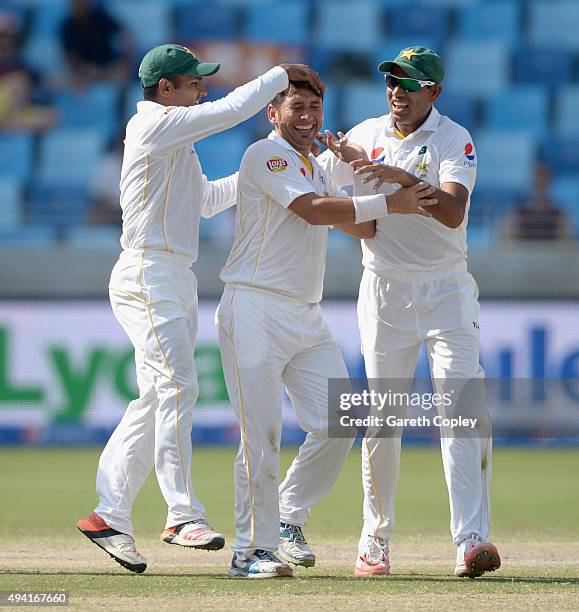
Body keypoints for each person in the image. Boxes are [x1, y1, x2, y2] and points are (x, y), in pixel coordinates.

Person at [76, 43, 326, 574]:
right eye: (194, 83)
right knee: (177, 385)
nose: (202, 88)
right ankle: (181, 513)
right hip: (148, 270)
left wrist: (276, 171)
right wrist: (279, 74)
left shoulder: (174, 142)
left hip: (173, 274)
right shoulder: (153, 125)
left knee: (160, 392)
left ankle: (110, 513)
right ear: (166, 90)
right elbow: (231, 110)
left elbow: (207, 202)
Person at [216, 78, 437, 578]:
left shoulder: (315, 165)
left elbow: (362, 228)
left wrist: (362, 173)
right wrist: (389, 202)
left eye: (316, 107)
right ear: (273, 113)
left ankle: (288, 518)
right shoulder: (263, 156)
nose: (308, 117)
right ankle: (250, 550)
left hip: (304, 315)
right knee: (261, 435)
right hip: (253, 307)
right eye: (297, 106)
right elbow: (313, 213)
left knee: (339, 420)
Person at [317, 46, 501, 578]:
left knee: (463, 415)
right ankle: (374, 541)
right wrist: (353, 218)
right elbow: (335, 200)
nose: (397, 91)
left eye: (410, 83)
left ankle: (471, 540)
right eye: (392, 80)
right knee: (384, 419)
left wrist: (394, 178)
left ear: (434, 92)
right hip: (384, 289)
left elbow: (451, 211)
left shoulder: (453, 137)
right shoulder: (365, 133)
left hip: (447, 291)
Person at [59, 0, 133, 86]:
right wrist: (84, 71)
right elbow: (70, 58)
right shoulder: (66, 26)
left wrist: (124, 63)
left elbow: (125, 37)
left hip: (109, 68)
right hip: (85, 72)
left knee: (122, 76)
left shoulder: (101, 17)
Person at [504, 162, 572, 241]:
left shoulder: (560, 215)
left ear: (550, 183)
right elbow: (507, 243)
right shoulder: (517, 215)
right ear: (531, 183)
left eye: (543, 183)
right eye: (537, 183)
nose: (540, 186)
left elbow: (566, 244)